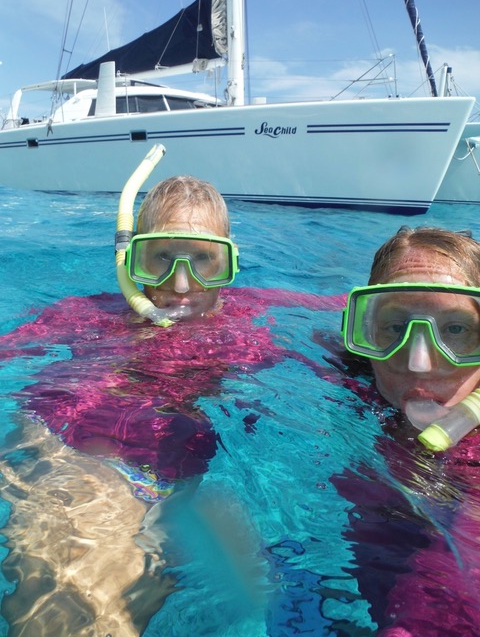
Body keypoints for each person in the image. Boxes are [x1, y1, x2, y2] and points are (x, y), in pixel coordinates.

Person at [0, 170, 342, 635]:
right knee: (77, 608)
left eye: (203, 260)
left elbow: (349, 309)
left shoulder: (254, 313)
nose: (181, 285)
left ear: (230, 261)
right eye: (161, 257)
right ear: (130, 256)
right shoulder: (85, 314)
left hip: (169, 472)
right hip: (74, 448)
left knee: (142, 600)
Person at [333, 226, 480, 637]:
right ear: (363, 331)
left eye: (455, 329)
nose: (419, 363)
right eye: (395, 327)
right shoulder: (347, 378)